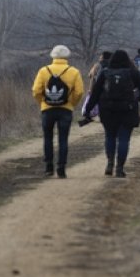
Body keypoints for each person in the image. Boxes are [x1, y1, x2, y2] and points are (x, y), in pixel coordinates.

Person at [83, 50, 140, 178]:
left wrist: (88, 110)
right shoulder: (133, 73)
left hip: (108, 110)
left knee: (110, 136)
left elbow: (95, 93)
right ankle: (119, 168)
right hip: (128, 110)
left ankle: (109, 163)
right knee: (124, 139)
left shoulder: (105, 73)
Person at [31, 45, 85, 178]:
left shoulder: (44, 71)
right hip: (65, 110)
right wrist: (71, 103)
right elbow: (79, 92)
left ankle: (49, 167)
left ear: (52, 56)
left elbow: (36, 91)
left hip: (47, 110)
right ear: (67, 56)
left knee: (48, 138)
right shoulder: (74, 72)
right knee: (63, 139)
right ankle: (61, 168)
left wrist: (43, 103)